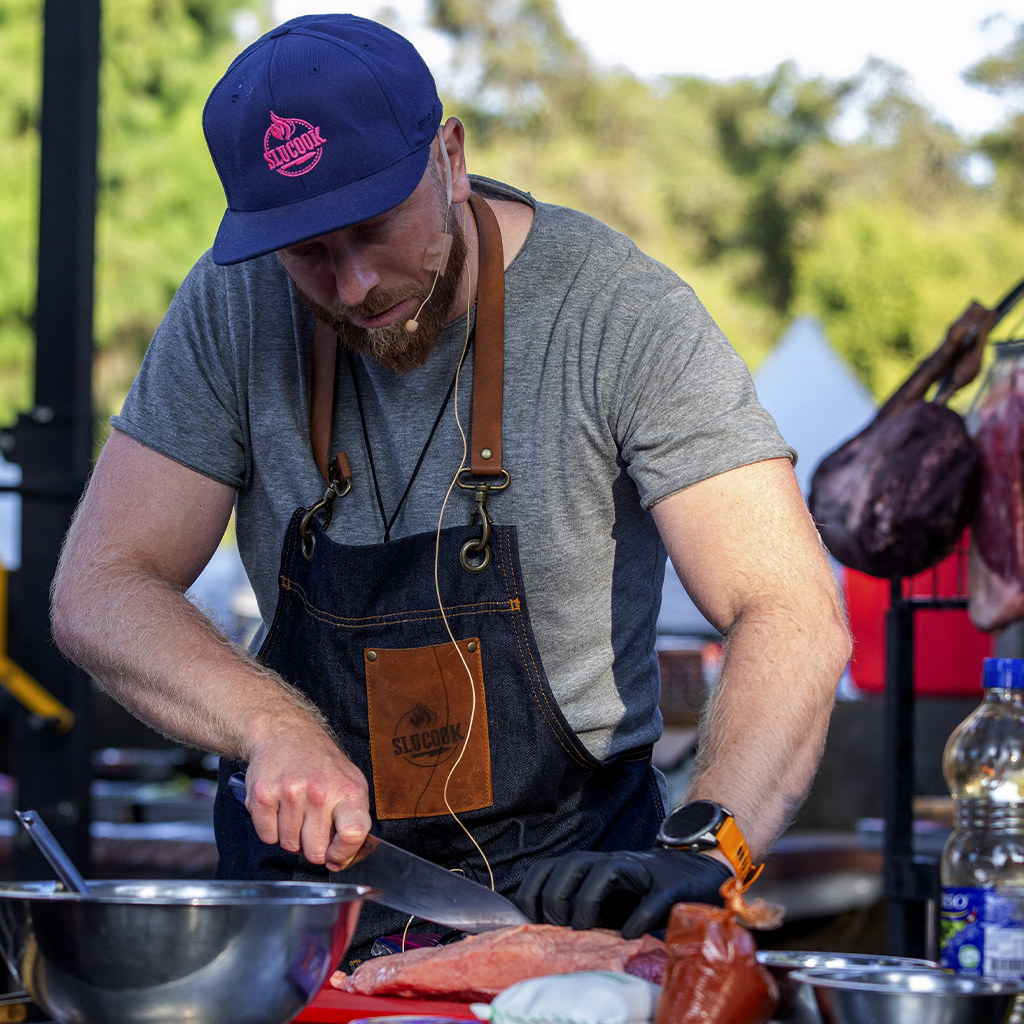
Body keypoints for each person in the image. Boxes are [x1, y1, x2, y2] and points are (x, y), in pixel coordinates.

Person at [51, 13, 850, 954]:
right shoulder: (232, 307)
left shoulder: (621, 314)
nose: (351, 285)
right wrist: (271, 724)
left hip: (577, 890)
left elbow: (791, 608)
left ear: (449, 158)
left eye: (374, 227)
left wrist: (711, 841)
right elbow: (99, 586)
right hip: (314, 902)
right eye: (307, 249)